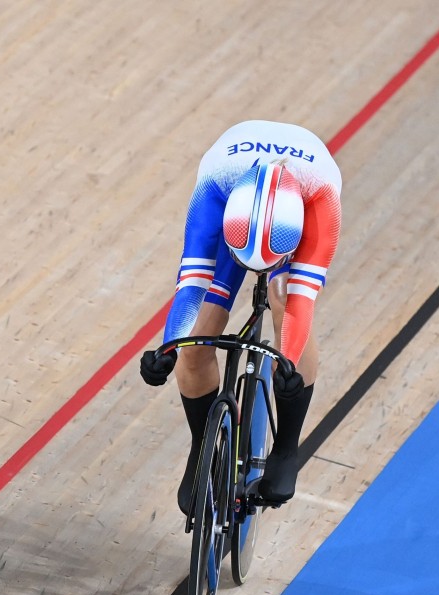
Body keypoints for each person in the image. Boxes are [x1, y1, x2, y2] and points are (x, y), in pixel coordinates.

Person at [140, 120, 342, 511]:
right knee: (200, 332)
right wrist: (167, 348)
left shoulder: (321, 199)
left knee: (285, 303)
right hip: (238, 209)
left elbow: (301, 303)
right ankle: (202, 447)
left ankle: (285, 450)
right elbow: (192, 287)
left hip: (295, 209)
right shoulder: (214, 189)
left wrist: (290, 365)